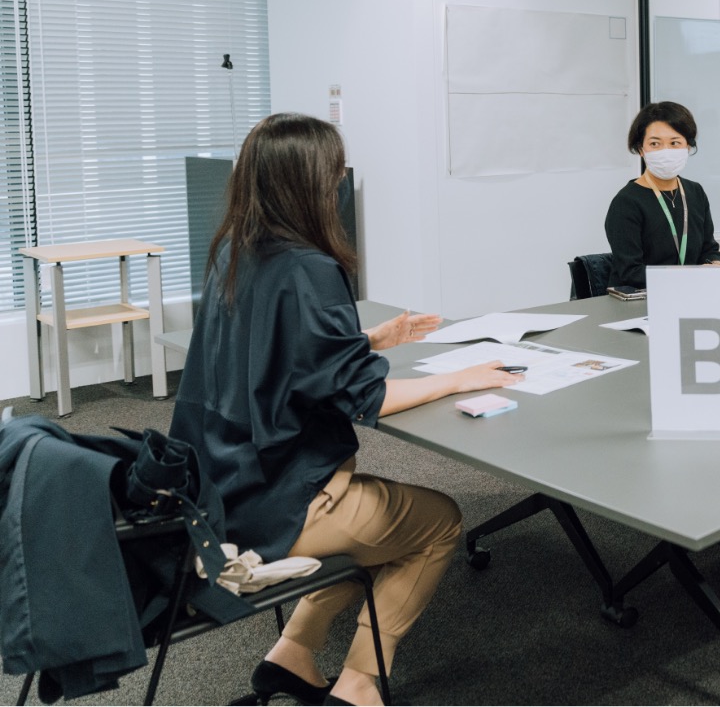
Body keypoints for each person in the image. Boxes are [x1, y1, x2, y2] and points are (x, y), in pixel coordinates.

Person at [169, 113, 524, 707]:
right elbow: (368, 398)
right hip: (272, 500)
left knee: (364, 521)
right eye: (334, 171)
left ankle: (293, 653)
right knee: (438, 521)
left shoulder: (233, 250)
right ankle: (359, 683)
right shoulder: (310, 267)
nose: (339, 181)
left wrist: (367, 342)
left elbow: (271, 360)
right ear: (308, 182)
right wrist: (462, 375)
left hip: (215, 486)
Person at [605, 102, 720, 288]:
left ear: (688, 146)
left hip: (691, 292)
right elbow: (630, 272)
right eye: (655, 143)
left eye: (674, 143)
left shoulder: (695, 192)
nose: (666, 151)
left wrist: (715, 265)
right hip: (641, 302)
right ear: (640, 149)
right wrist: (685, 276)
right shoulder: (626, 202)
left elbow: (709, 249)